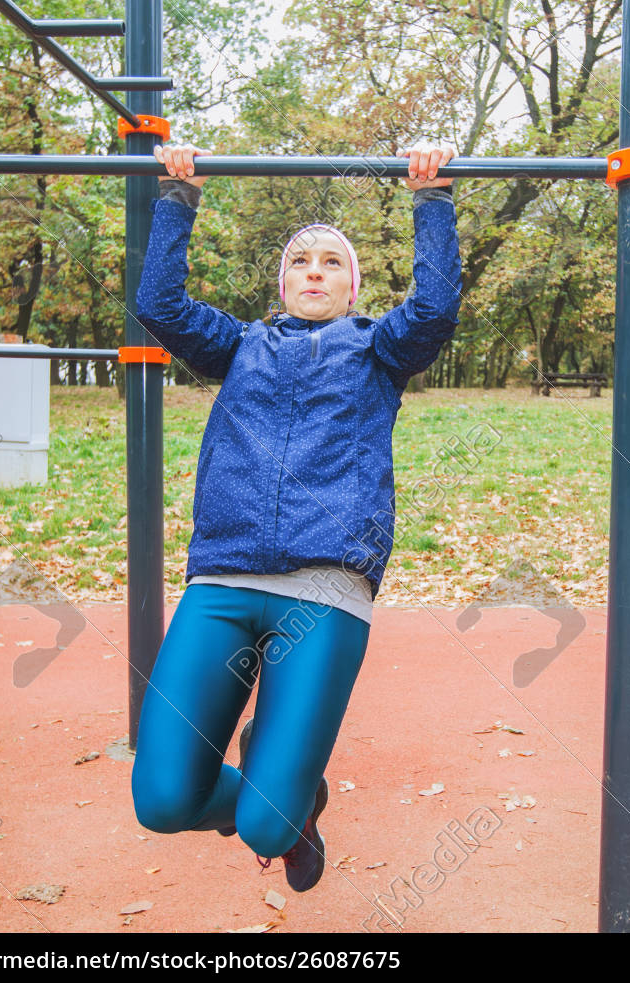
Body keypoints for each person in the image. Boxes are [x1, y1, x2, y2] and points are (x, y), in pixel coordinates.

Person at [130, 140, 461, 891]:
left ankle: (293, 804)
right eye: (300, 262)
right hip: (220, 582)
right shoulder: (240, 345)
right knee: (162, 799)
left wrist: (431, 201)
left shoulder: (379, 350)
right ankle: (271, 783)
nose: (315, 270)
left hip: (322, 595)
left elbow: (437, 305)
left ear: (352, 289)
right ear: (281, 286)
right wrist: (179, 198)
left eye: (331, 262)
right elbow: (159, 305)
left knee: (266, 825)